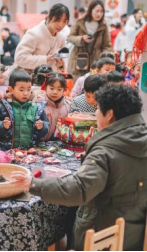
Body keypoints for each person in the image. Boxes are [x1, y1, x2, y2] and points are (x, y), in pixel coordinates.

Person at [11, 84, 147, 251]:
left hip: (103, 238)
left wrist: (32, 183)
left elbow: (79, 190)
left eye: (97, 109)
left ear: (110, 114)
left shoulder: (106, 151)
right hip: (134, 234)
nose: (95, 114)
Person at [0, 70, 49, 151]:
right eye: (21, 90)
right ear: (11, 89)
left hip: (30, 152)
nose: (25, 93)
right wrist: (2, 126)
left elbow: (46, 125)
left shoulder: (36, 107)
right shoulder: (2, 106)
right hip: (7, 151)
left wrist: (42, 127)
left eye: (28, 89)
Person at [14, 4, 69, 74]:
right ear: (49, 17)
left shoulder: (62, 37)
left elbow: (64, 65)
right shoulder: (34, 33)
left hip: (51, 80)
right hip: (29, 79)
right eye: (58, 20)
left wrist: (61, 65)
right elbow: (20, 58)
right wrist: (46, 59)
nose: (61, 25)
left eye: (64, 21)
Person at [68, 0, 113, 80]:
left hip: (96, 61)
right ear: (90, 10)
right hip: (79, 60)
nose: (99, 14)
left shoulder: (103, 25)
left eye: (102, 11)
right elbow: (70, 37)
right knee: (78, 84)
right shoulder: (80, 22)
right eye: (97, 11)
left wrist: (102, 58)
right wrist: (82, 39)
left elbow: (107, 45)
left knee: (93, 85)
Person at [34, 73, 71, 141]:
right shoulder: (38, 104)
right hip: (38, 144)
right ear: (45, 87)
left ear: (64, 90)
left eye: (59, 89)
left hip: (59, 145)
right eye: (51, 88)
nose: (55, 92)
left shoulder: (68, 106)